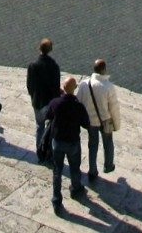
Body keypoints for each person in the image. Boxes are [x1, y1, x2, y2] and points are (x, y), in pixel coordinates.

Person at [41, 76, 90, 212]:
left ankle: (56, 199)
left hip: (57, 141)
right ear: (74, 89)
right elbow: (86, 123)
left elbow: (47, 116)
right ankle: (75, 188)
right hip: (73, 141)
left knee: (57, 170)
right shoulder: (78, 106)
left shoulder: (55, 103)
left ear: (63, 88)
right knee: (75, 167)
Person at [80, 58, 119, 181]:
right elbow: (114, 108)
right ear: (104, 70)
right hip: (106, 120)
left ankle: (92, 170)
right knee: (108, 143)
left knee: (93, 145)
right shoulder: (108, 87)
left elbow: (79, 101)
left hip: (91, 121)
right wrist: (117, 125)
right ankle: (108, 166)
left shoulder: (84, 84)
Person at [26, 38, 61, 156]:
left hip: (37, 101)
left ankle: (39, 150)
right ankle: (48, 150)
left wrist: (33, 96)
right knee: (49, 128)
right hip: (49, 102)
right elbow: (56, 86)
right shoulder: (54, 65)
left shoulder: (33, 65)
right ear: (50, 49)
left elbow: (29, 85)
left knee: (39, 126)